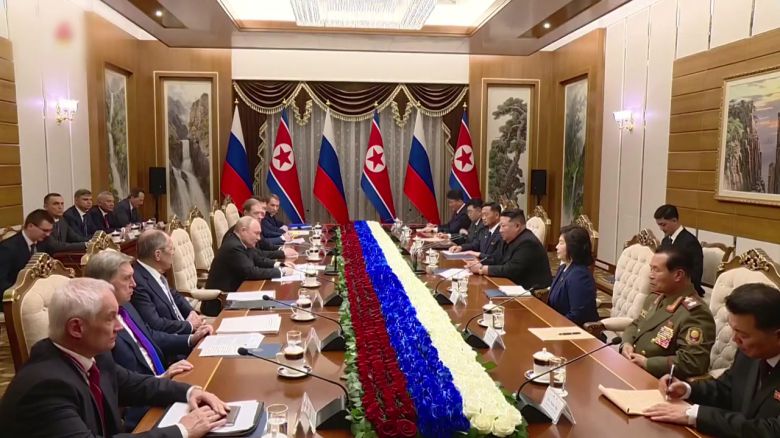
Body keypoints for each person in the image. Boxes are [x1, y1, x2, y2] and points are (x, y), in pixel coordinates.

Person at [0, 277, 228, 437]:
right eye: (110, 318)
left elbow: (135, 385)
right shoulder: (45, 388)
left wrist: (190, 391)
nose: (120, 327)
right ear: (76, 328)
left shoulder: (94, 355)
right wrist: (183, 430)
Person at [84, 251, 210, 430]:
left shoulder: (126, 305)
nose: (134, 284)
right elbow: (117, 386)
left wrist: (190, 339)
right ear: (104, 284)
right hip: (141, 409)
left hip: (163, 384)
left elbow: (150, 335)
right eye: (127, 278)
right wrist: (160, 379)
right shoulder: (97, 328)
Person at [645, 283, 780, 437]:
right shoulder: (749, 352)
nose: (734, 339)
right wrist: (687, 389)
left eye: (743, 335)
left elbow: (772, 430)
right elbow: (727, 388)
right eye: (733, 330)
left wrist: (696, 415)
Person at [621, 245, 715, 379]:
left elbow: (693, 361)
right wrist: (626, 343)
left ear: (678, 275)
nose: (650, 275)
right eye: (651, 268)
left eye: (656, 270)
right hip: (632, 369)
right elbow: (637, 324)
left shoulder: (696, 313)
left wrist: (648, 363)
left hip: (659, 380)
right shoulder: (654, 298)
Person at [205, 216, 294, 315]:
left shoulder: (243, 242)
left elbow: (258, 259)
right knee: (271, 310)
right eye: (256, 233)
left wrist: (280, 265)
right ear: (243, 231)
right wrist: (281, 272)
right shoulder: (233, 246)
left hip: (237, 293)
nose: (259, 238)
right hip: (220, 303)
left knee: (273, 306)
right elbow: (250, 272)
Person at [131, 230, 212, 335]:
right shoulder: (137, 283)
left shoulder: (154, 271)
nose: (173, 253)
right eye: (171, 249)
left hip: (186, 329)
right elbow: (156, 324)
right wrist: (189, 326)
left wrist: (191, 312)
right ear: (158, 255)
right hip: (177, 339)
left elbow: (174, 295)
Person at [467, 209, 552, 290]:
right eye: (500, 226)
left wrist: (481, 269)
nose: (500, 230)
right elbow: (495, 258)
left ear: (517, 226)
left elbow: (511, 270)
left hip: (529, 292)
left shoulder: (528, 242)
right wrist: (478, 263)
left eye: (503, 226)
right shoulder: (507, 238)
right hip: (510, 284)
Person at [547, 225, 599, 326]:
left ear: (573, 247)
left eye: (561, 243)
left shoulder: (580, 275)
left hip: (573, 330)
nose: (556, 246)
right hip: (557, 323)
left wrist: (554, 326)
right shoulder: (564, 267)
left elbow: (578, 315)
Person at [655, 204, 704, 296]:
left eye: (663, 224)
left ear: (674, 220)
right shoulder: (665, 241)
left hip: (684, 292)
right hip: (666, 287)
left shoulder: (690, 242)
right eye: (659, 225)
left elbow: (695, 276)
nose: (661, 229)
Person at [0, 209, 54, 294]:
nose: (48, 234)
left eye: (50, 231)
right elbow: (2, 282)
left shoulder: (44, 242)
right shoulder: (8, 248)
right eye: (45, 230)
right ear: (30, 226)